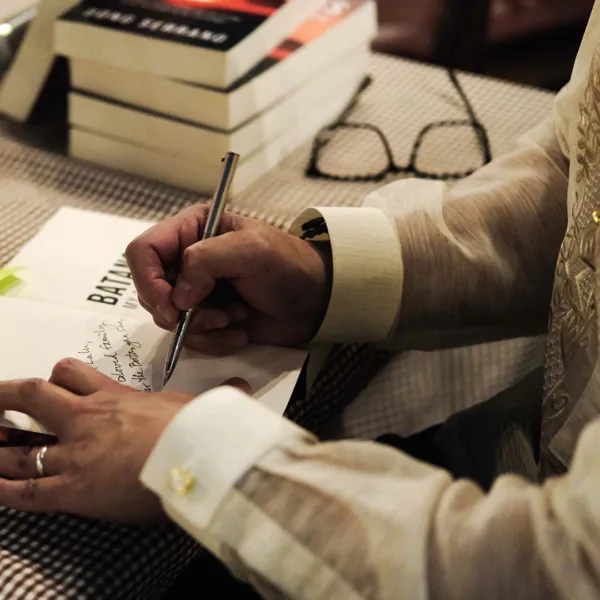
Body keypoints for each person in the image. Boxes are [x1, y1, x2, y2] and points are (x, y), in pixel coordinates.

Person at [3, 3, 600, 597]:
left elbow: (558, 567)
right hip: (502, 457)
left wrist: (197, 457)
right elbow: (577, 175)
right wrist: (328, 275)